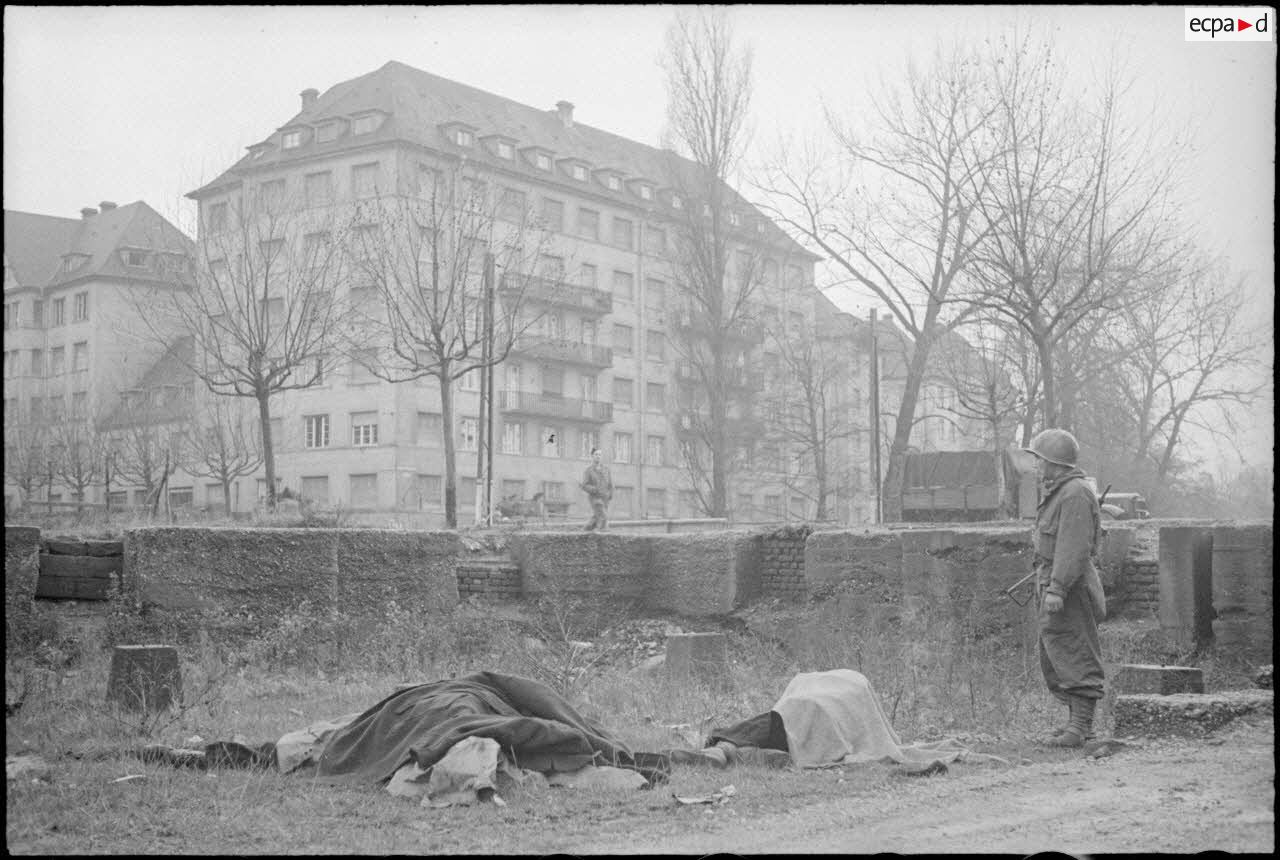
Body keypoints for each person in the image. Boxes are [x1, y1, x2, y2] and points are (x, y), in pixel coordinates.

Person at [1023, 427, 1107, 747]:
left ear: (1055, 463)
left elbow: (1073, 547)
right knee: (1057, 652)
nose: (1036, 466)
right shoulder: (1061, 491)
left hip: (1068, 588)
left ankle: (1082, 727)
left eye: (1039, 460)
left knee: (1075, 650)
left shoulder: (1074, 493)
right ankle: (1078, 725)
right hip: (1053, 581)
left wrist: (1057, 588)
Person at [579, 447, 613, 531]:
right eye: (596, 454)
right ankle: (605, 533)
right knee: (603, 517)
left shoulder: (606, 470)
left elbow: (610, 484)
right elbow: (584, 485)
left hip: (605, 498)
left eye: (600, 455)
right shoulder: (589, 470)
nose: (598, 456)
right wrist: (594, 489)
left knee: (596, 517)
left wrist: (610, 494)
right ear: (592, 456)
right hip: (595, 497)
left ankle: (583, 532)